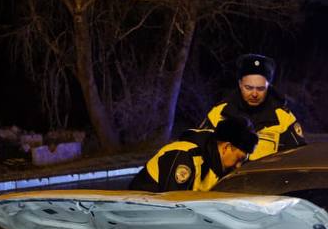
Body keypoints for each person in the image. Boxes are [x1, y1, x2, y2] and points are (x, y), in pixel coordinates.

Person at [201, 53, 305, 161]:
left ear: (268, 87)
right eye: (248, 88)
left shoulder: (284, 119)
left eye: (260, 89)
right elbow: (200, 150)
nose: (254, 94)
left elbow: (298, 159)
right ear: (240, 84)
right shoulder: (219, 113)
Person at [128, 115, 258, 192]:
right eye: (239, 159)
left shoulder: (217, 166)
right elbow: (173, 208)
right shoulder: (185, 156)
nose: (239, 166)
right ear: (226, 147)